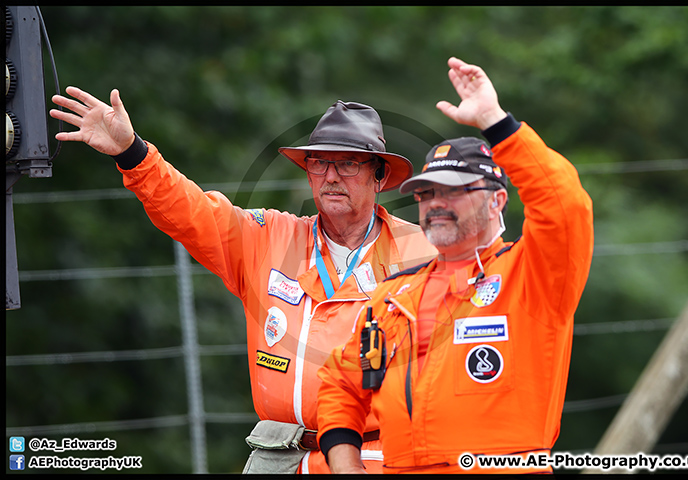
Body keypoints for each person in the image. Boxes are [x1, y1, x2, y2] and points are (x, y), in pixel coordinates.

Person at [49, 90, 437, 473]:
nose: (331, 177)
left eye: (348, 164)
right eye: (319, 163)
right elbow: (192, 213)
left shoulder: (421, 253)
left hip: (373, 457)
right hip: (278, 455)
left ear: (379, 175)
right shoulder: (268, 237)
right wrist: (131, 153)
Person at [316, 56, 594, 474]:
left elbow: (564, 205)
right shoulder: (393, 296)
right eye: (426, 193)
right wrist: (346, 467)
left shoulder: (531, 274)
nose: (436, 204)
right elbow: (340, 384)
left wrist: (496, 123)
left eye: (455, 190)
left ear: (497, 200)